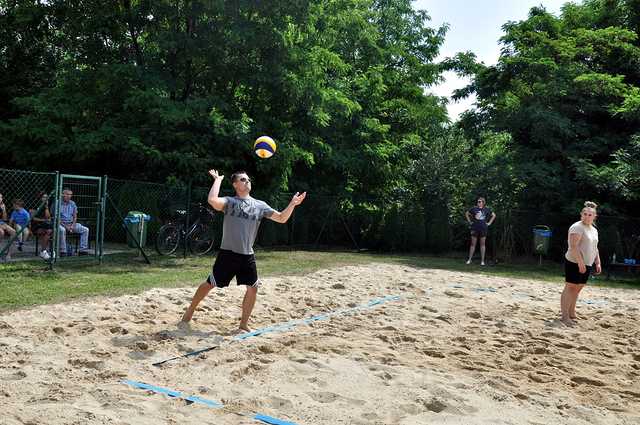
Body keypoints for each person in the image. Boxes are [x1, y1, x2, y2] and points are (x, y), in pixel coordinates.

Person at [181, 169, 307, 332]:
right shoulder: (230, 202)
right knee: (210, 284)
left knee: (253, 287)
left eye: (248, 179)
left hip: (247, 255)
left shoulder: (260, 205)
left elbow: (282, 218)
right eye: (243, 179)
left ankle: (243, 324)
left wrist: (293, 204)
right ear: (235, 184)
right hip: (228, 254)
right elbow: (212, 200)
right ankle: (189, 311)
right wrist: (218, 180)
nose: (247, 181)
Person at [560, 201, 601, 325]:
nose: (587, 216)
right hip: (574, 261)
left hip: (587, 263)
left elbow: (595, 247)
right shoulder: (577, 227)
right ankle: (565, 316)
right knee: (570, 287)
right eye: (585, 214)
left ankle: (572, 313)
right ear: (581, 214)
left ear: (594, 217)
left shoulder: (593, 230)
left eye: (590, 215)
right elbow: (573, 246)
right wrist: (580, 263)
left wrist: (597, 262)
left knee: (577, 288)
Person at [55, 189, 90, 256]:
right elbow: (57, 218)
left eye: (70, 195)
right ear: (63, 194)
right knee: (62, 230)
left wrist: (72, 226)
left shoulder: (72, 203)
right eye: (67, 194)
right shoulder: (57, 203)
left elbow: (75, 216)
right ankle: (63, 251)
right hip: (61, 224)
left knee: (85, 229)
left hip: (71, 224)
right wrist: (66, 227)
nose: (69, 196)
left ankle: (82, 250)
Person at [465, 197, 496, 265]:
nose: (478, 202)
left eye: (480, 201)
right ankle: (469, 260)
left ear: (483, 202)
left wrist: (489, 223)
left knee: (482, 244)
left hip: (483, 228)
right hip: (474, 228)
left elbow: (494, 215)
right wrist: (470, 221)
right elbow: (467, 213)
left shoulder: (486, 209)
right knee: (473, 244)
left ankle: (482, 261)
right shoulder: (474, 208)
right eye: (478, 201)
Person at [30, 192, 53, 260]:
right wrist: (43, 220)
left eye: (46, 197)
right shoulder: (34, 204)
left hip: (45, 226)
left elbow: (48, 217)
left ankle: (45, 251)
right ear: (40, 198)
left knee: (49, 231)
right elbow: (33, 218)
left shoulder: (47, 206)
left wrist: (46, 207)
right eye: (44, 197)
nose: (45, 199)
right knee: (46, 231)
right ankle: (44, 251)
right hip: (35, 225)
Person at [0, 193, 16, 261]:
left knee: (13, 232)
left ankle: (8, 254)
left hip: (1, 222)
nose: (0, 199)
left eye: (1, 197)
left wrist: (3, 210)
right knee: (1, 232)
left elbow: (5, 219)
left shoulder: (2, 205)